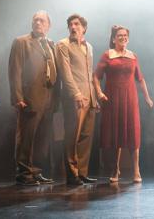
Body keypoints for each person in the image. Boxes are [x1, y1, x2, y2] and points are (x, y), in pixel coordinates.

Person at [93, 25, 153, 183]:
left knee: (133, 132)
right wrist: (99, 93)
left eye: (125, 35)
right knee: (115, 133)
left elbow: (140, 78)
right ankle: (115, 169)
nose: (123, 37)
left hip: (130, 98)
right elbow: (96, 76)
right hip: (112, 98)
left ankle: (136, 170)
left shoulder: (133, 56)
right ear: (113, 39)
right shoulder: (108, 55)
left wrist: (147, 97)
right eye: (119, 35)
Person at [8, 11, 58, 185]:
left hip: (49, 97)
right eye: (35, 20)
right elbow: (15, 71)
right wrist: (17, 97)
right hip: (30, 96)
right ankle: (24, 173)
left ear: (48, 25)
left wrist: (56, 99)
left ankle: (36, 170)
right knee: (26, 136)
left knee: (42, 137)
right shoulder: (22, 42)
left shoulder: (51, 44)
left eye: (41, 20)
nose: (38, 22)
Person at [56, 14, 98, 185]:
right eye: (71, 25)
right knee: (72, 135)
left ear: (84, 28)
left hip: (89, 96)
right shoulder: (63, 45)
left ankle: (82, 172)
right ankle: (71, 174)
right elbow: (65, 73)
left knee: (86, 136)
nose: (73, 27)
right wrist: (76, 94)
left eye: (77, 24)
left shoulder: (89, 47)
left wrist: (94, 97)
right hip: (74, 97)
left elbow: (89, 74)